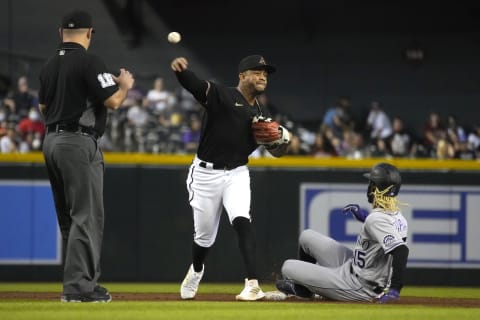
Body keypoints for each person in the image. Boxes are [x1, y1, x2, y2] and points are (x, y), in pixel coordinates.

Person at [171, 54, 290, 301]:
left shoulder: (260, 111)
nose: (262, 76)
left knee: (242, 221)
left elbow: (271, 146)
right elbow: (196, 86)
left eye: (265, 74)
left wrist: (278, 142)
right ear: (242, 75)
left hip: (236, 173)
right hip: (205, 175)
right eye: (257, 72)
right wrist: (182, 72)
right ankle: (196, 269)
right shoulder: (222, 95)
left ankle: (252, 284)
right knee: (204, 238)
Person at [38, 10, 134, 303]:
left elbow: (43, 108)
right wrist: (125, 85)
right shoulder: (91, 61)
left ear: (60, 33)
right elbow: (114, 101)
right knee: (86, 216)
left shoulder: (49, 65)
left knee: (70, 219)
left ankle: (78, 283)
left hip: (51, 141)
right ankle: (80, 288)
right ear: (90, 33)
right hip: (77, 143)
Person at [276, 162, 409, 303]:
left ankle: (306, 290)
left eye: (371, 183)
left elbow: (401, 251)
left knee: (288, 267)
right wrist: (365, 217)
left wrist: (394, 290)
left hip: (359, 286)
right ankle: (304, 288)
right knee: (306, 236)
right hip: (355, 267)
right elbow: (382, 228)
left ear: (375, 188)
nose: (369, 186)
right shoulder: (399, 218)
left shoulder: (376, 219)